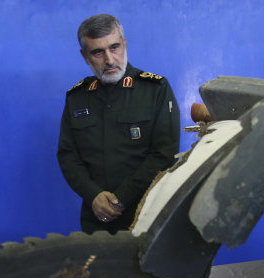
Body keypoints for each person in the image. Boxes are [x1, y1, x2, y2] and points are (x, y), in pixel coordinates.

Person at [57, 14, 180, 234]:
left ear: (124, 44)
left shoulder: (155, 89)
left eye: (114, 47)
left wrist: (120, 199)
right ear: (85, 56)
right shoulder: (77, 97)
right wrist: (93, 195)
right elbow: (68, 156)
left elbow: (164, 153)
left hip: (146, 214)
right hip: (96, 218)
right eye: (97, 52)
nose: (109, 60)